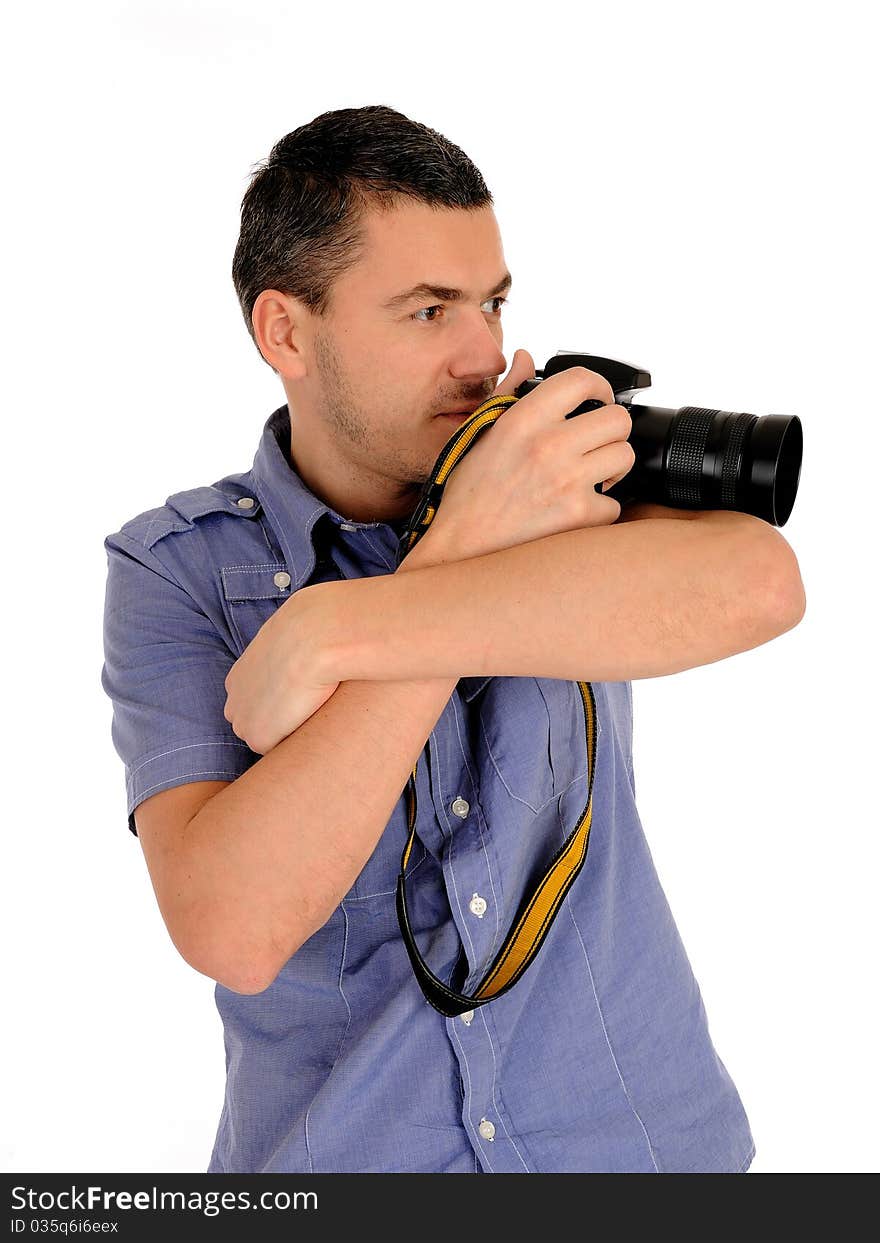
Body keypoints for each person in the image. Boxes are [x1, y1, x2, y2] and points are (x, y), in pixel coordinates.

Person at [100, 105, 805, 1174]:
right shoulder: (180, 570)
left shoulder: (562, 478)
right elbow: (232, 930)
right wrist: (461, 547)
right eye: (428, 312)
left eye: (491, 301)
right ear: (285, 332)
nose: (485, 354)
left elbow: (760, 582)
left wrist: (348, 624)